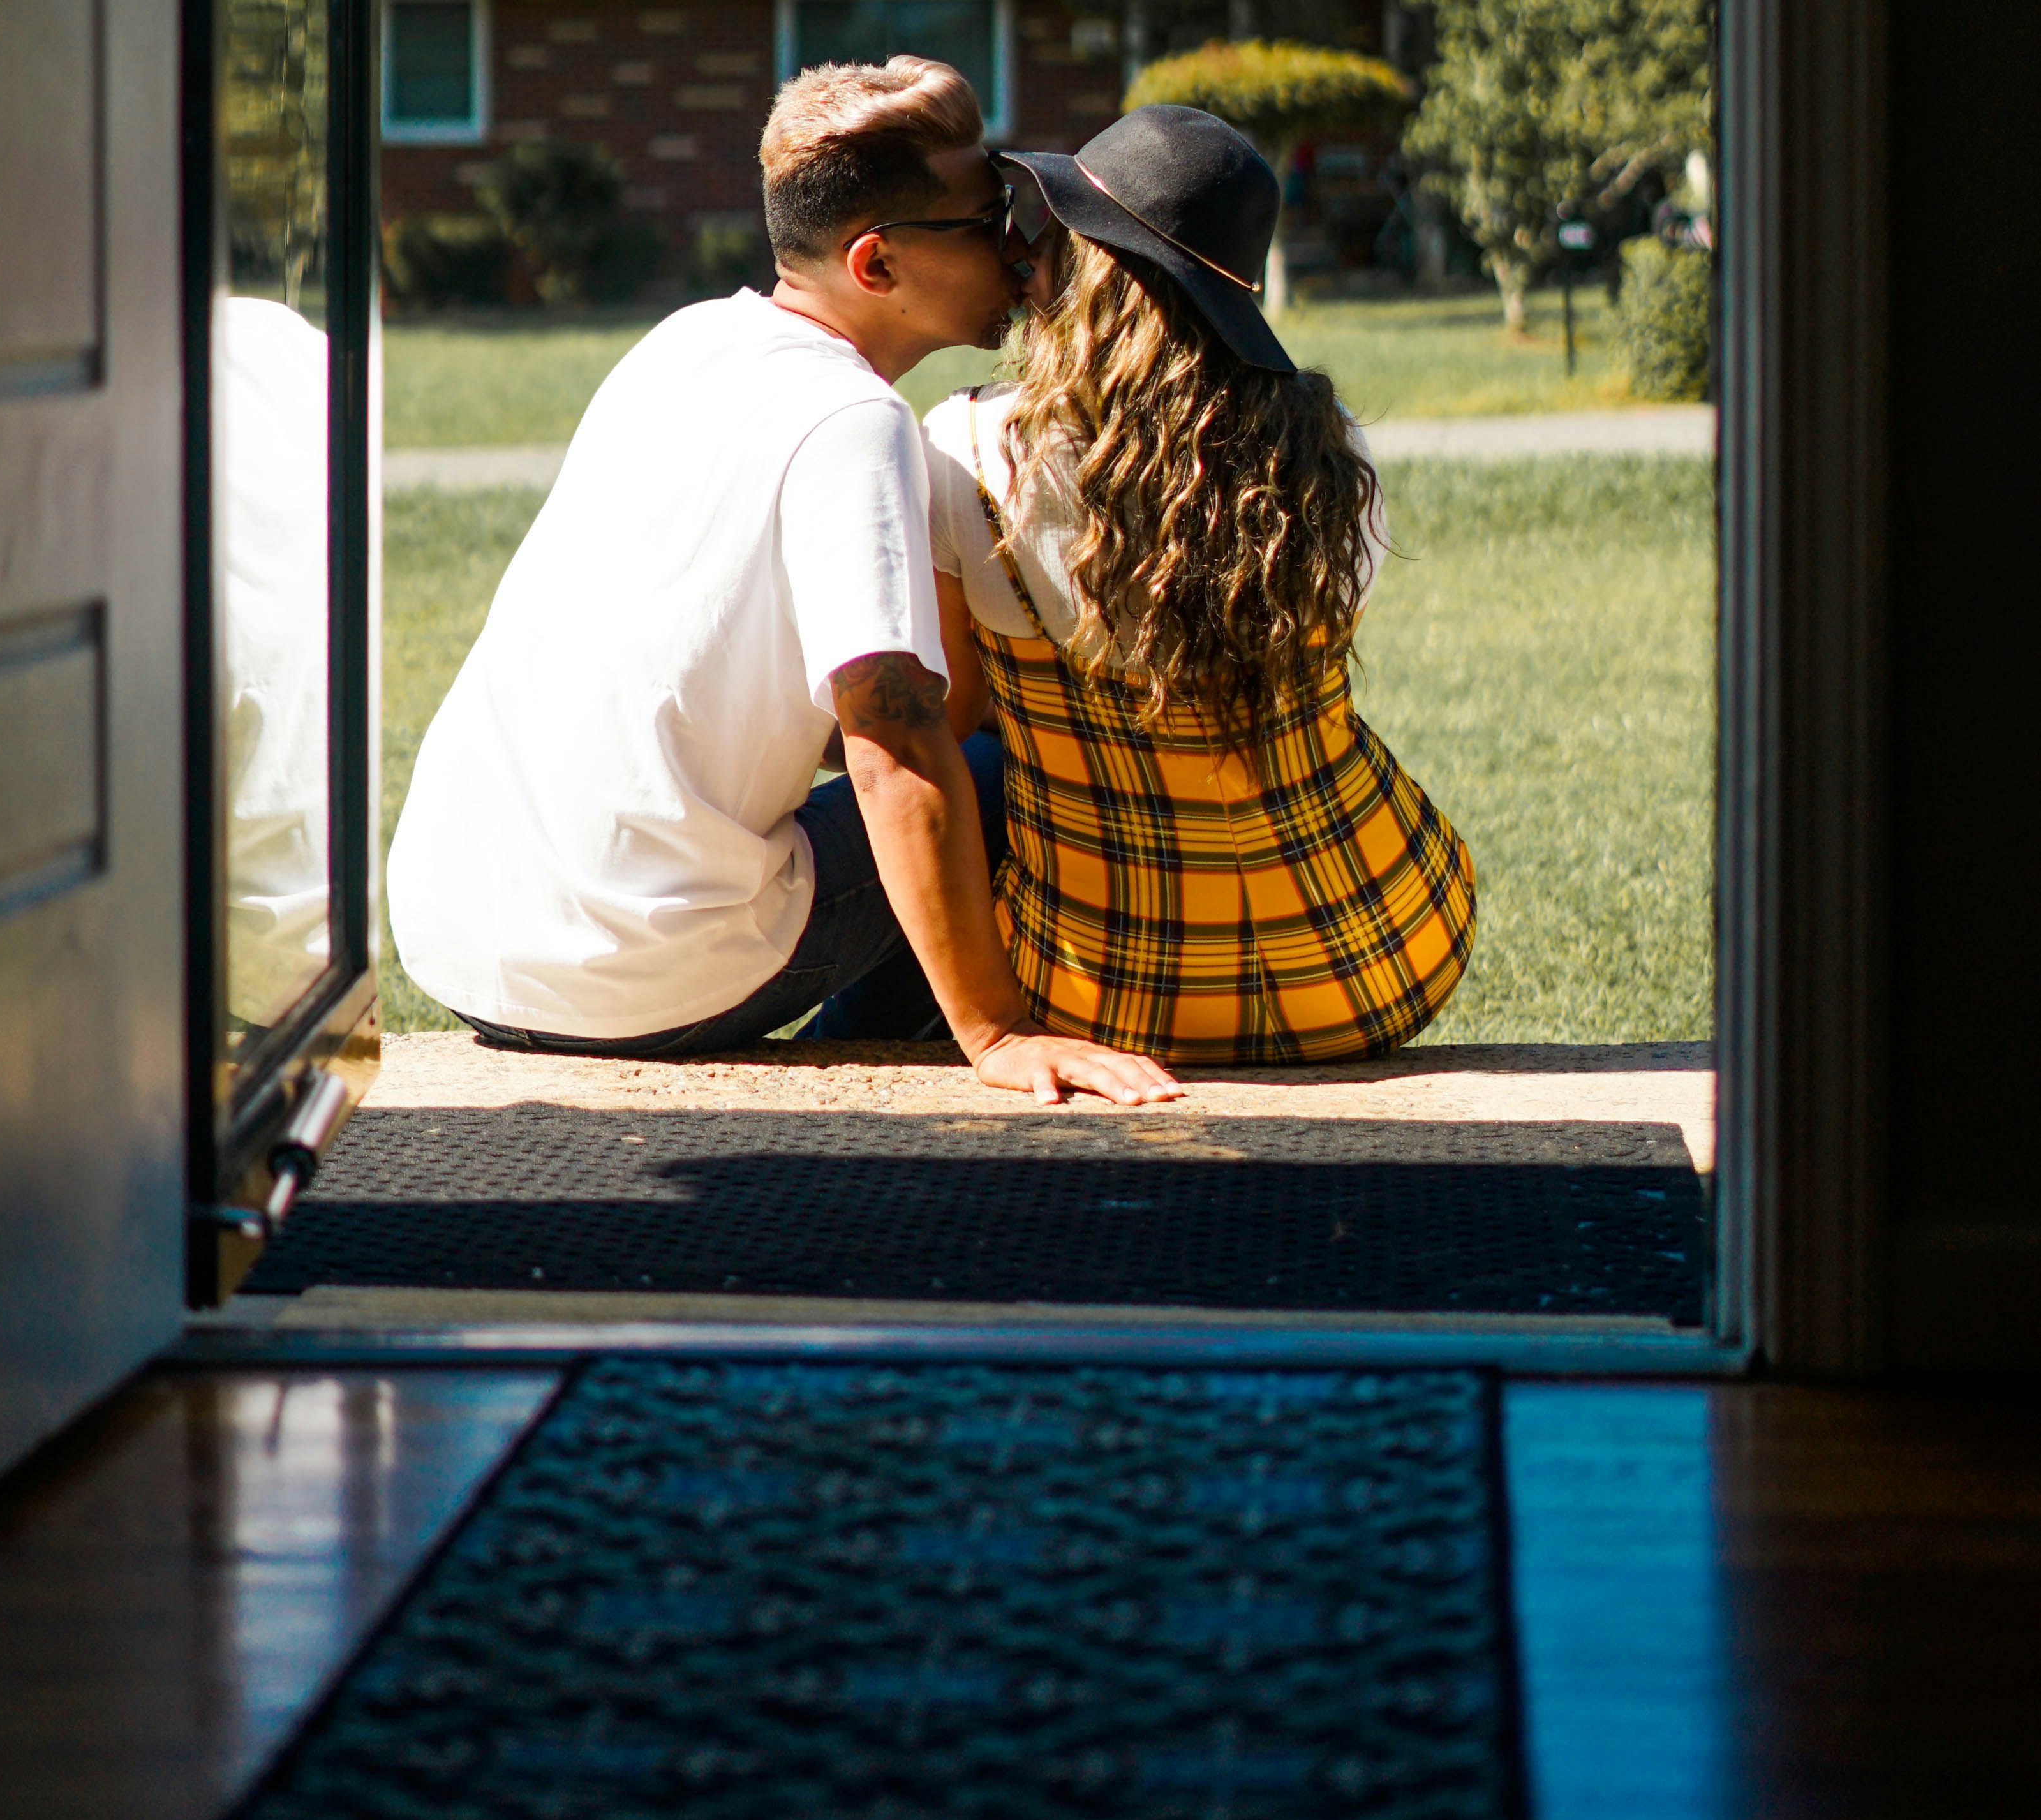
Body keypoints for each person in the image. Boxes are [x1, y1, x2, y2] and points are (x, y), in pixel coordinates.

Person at [385, 58, 1180, 1103]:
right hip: (634, 979)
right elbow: (892, 745)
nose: (1024, 250)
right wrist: (999, 1033)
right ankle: (911, 1041)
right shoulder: (856, 424)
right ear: (877, 263)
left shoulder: (686, 344)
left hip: (460, 937)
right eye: (989, 220)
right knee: (997, 776)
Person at [919, 103, 1476, 1062]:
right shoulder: (1330, 452)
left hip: (1108, 991)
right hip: (1378, 956)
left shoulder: (966, 449)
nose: (1024, 254)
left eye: (1046, 231)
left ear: (1090, 271)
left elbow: (954, 712)